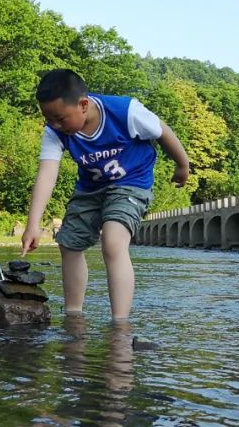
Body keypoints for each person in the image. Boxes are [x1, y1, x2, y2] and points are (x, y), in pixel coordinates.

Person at [20, 69, 190, 319]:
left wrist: (182, 165)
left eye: (60, 118)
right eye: (49, 119)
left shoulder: (125, 111)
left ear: (83, 105)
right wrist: (32, 224)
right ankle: (73, 315)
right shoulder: (55, 131)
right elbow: (47, 174)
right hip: (90, 189)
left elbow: (163, 132)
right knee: (68, 244)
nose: (55, 125)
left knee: (112, 242)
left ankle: (120, 323)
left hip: (132, 183)